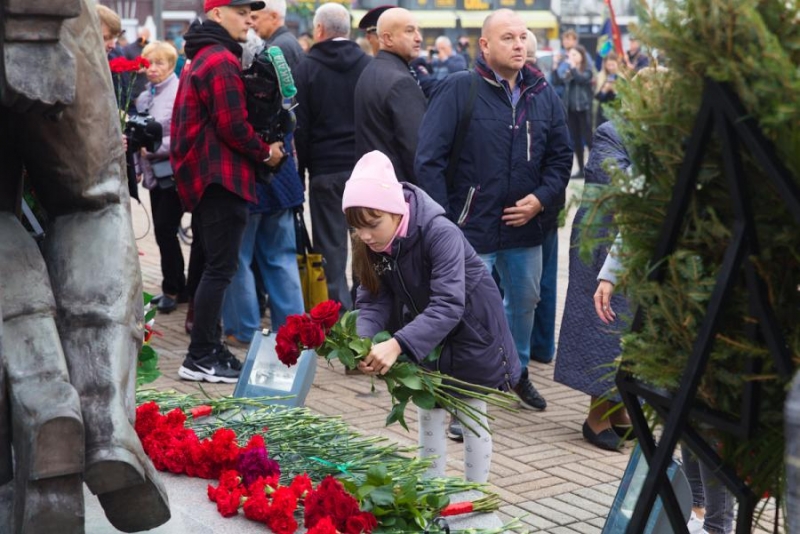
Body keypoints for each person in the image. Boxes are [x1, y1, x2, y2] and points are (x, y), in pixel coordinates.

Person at [416, 10, 573, 419]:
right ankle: (465, 397)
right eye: (508, 37)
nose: (519, 44)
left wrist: (541, 199)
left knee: (525, 302)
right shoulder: (458, 88)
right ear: (484, 45)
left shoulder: (543, 92)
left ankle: (515, 371)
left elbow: (561, 156)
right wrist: (444, 224)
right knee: (465, 311)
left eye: (523, 36)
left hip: (525, 228)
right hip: (470, 228)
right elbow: (429, 160)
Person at [343, 150, 522, 483]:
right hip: (426, 337)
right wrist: (365, 341)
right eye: (356, 227)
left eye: (372, 225)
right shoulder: (372, 246)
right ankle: (431, 491)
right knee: (429, 411)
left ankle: (476, 496)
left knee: (471, 416)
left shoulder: (439, 232)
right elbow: (373, 299)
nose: (365, 236)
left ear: (395, 211)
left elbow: (449, 304)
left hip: (472, 333)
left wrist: (397, 344)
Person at [171, 0, 284, 383]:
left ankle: (207, 347)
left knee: (211, 266)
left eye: (252, 13)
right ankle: (201, 355)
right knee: (220, 269)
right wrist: (266, 153)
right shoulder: (219, 58)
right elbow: (233, 126)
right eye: (241, 11)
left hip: (210, 177)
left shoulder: (206, 54)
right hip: (220, 177)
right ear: (217, 14)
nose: (249, 18)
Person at [220, 0, 306, 346]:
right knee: (281, 257)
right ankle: (296, 331)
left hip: (249, 174)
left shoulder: (232, 64)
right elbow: (292, 111)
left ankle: (244, 330)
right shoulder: (277, 57)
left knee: (238, 258)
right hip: (281, 171)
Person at [553, 120, 632, 451]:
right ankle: (596, 418)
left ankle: (619, 410)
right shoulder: (609, 132)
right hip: (599, 243)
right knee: (603, 329)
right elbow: (622, 182)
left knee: (627, 333)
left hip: (631, 242)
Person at [293, 2, 371, 312]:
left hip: (325, 172)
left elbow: (300, 128)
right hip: (362, 170)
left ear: (319, 30)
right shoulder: (368, 65)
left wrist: (299, 177)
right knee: (365, 241)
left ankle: (338, 313)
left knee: (330, 247)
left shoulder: (306, 68)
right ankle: (367, 308)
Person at [133, 41, 185, 314]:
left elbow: (182, 134)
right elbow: (138, 132)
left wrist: (152, 150)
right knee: (164, 232)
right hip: (156, 177)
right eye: (148, 63)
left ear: (170, 64)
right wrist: (139, 165)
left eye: (159, 63)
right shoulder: (144, 96)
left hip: (175, 173)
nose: (152, 69)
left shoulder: (179, 92)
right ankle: (178, 284)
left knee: (166, 230)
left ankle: (172, 289)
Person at [523, 30, 562, 366]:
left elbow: (560, 154)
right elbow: (563, 157)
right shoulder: (550, 92)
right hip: (545, 204)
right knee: (544, 280)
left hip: (532, 206)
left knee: (525, 285)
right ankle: (542, 347)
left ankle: (525, 348)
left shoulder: (537, 93)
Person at [354, 7, 426, 184]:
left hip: (375, 186)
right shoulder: (401, 82)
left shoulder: (371, 70)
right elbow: (416, 151)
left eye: (418, 30)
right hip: (399, 192)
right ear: (387, 38)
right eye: (409, 31)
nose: (419, 37)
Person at [563, 44, 594, 178]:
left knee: (588, 140)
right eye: (570, 55)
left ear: (582, 56)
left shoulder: (588, 70)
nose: (572, 57)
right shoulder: (570, 70)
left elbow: (581, 80)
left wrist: (573, 68)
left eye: (575, 54)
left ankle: (594, 168)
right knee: (575, 141)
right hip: (571, 110)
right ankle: (581, 169)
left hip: (584, 109)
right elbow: (559, 80)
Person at [594, 51, 620, 127]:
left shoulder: (621, 77)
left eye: (613, 65)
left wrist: (614, 90)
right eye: (608, 65)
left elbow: (622, 100)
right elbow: (598, 97)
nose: (610, 67)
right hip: (602, 112)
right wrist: (605, 90)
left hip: (616, 113)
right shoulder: (601, 76)